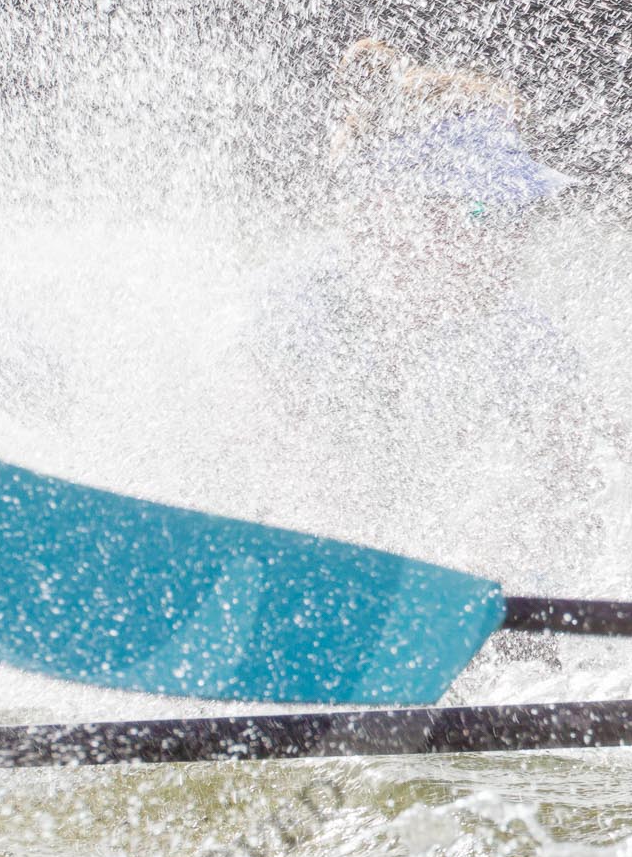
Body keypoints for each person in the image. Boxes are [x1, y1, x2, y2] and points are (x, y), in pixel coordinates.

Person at [257, 40, 602, 603]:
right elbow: (298, 490)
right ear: (386, 209)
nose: (512, 239)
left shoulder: (530, 340)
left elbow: (578, 499)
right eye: (480, 212)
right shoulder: (290, 313)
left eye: (519, 211)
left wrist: (517, 579)